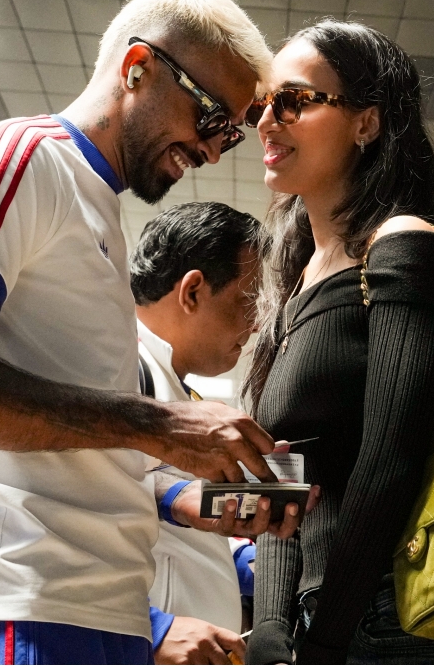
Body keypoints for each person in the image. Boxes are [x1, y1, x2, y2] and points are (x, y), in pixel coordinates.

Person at [0, 0, 301, 664]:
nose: (217, 148)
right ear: (138, 68)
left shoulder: (96, 212)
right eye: (213, 117)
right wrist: (162, 425)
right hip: (9, 615)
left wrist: (187, 480)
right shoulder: (23, 161)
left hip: (95, 614)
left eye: (234, 134)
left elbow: (77, 447)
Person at [242, 20, 434, 664]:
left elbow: (391, 461)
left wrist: (325, 638)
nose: (268, 122)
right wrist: (273, 627)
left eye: (295, 101)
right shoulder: (298, 275)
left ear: (367, 122)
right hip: (319, 613)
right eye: (260, 105)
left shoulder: (402, 243)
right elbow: (284, 470)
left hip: (389, 615)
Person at [131, 201, 284, 662]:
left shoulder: (178, 390)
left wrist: (241, 561)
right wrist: (151, 628)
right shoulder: (122, 373)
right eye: (249, 301)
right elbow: (68, 502)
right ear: (193, 291)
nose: (257, 324)